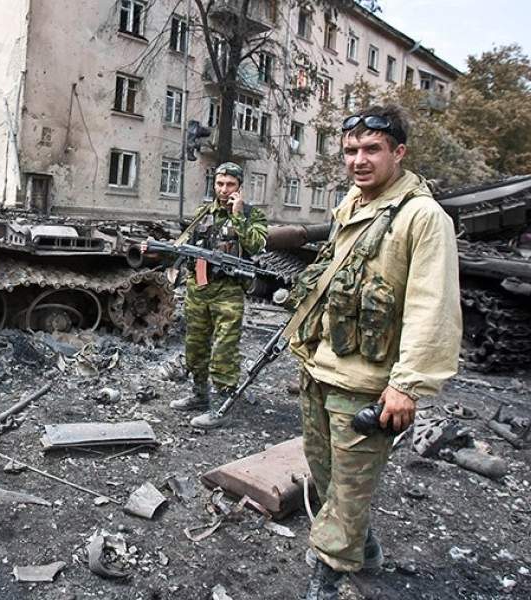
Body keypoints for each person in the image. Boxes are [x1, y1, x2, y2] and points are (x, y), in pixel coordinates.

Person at [281, 106, 461, 599]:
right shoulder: (353, 204)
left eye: (372, 150)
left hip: (367, 385)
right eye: (351, 151)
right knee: (327, 480)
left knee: (351, 490)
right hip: (322, 370)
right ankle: (364, 546)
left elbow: (433, 306)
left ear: (398, 153)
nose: (359, 160)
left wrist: (407, 385)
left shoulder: (423, 217)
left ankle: (330, 576)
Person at [168, 162, 267, 429]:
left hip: (229, 292)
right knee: (195, 345)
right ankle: (199, 395)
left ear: (239, 187)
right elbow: (187, 245)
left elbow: (256, 245)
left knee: (224, 349)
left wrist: (237, 216)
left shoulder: (251, 215)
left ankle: (222, 405)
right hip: (199, 289)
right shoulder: (203, 214)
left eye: (230, 185)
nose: (224, 190)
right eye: (220, 184)